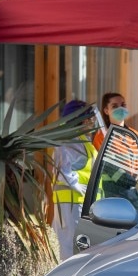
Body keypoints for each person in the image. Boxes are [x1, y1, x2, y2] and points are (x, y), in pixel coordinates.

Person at [51, 100, 98, 261]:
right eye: (90, 118)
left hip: (78, 203)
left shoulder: (82, 141)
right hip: (71, 203)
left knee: (74, 246)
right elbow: (62, 171)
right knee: (68, 248)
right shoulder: (69, 142)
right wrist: (79, 187)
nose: (93, 122)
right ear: (83, 120)